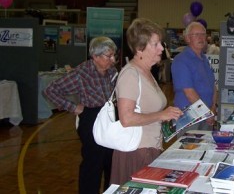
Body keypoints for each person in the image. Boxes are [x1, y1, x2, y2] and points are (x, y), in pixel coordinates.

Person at [110, 18, 183, 185]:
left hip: (150, 148)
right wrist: (161, 115)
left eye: (161, 43)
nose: (161, 48)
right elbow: (126, 119)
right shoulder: (130, 74)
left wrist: (167, 115)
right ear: (140, 48)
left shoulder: (147, 72)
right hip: (136, 152)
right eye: (155, 44)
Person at [43, 36, 118, 194]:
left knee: (110, 162)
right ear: (95, 56)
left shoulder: (112, 71)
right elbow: (50, 90)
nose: (113, 59)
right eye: (109, 56)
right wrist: (74, 107)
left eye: (113, 55)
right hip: (91, 119)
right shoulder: (81, 73)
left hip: (110, 118)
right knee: (92, 164)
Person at [171, 21, 217, 131]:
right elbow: (189, 93)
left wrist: (214, 107)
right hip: (189, 117)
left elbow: (213, 86)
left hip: (207, 115)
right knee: (188, 147)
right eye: (196, 35)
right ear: (187, 38)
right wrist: (207, 113)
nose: (201, 38)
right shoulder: (181, 60)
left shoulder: (204, 59)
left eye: (203, 34)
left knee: (206, 147)